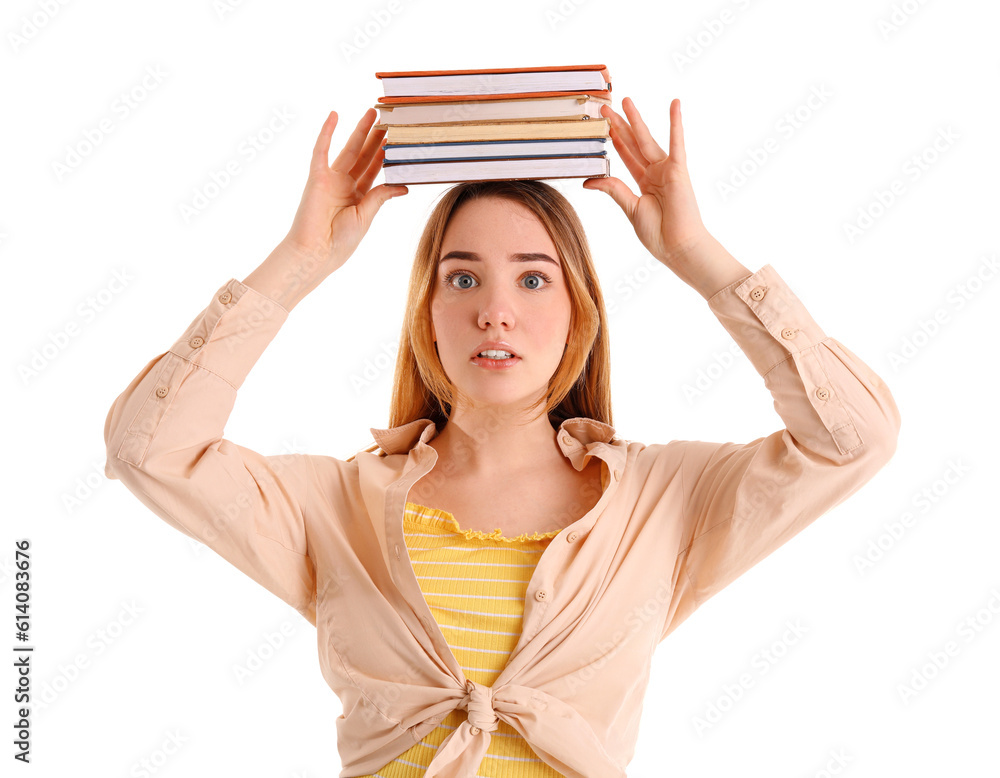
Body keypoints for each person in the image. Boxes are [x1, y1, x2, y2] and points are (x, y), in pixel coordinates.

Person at [104, 98, 901, 777]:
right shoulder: (336, 504)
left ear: (578, 310)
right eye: (462, 277)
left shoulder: (663, 503)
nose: (495, 310)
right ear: (427, 312)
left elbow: (853, 436)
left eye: (531, 277)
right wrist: (301, 260)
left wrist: (698, 258)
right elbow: (150, 449)